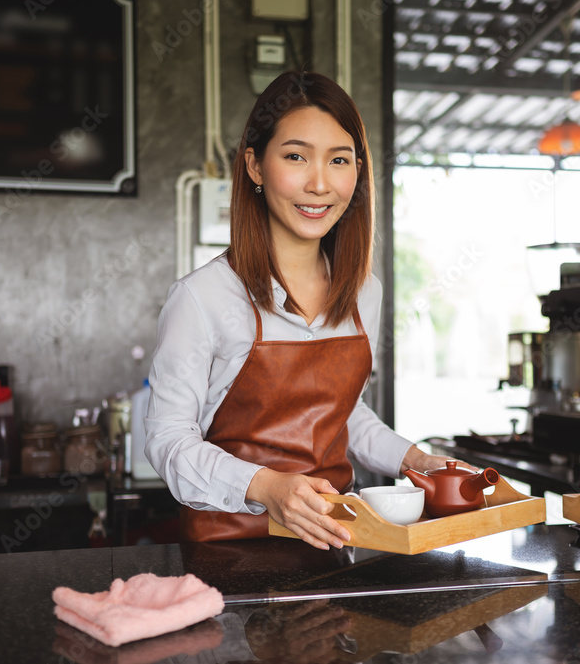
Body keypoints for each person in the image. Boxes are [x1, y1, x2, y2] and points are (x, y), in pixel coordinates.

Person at [144, 70, 469, 550]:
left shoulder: (364, 292)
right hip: (229, 555)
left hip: (336, 542)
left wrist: (418, 462)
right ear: (255, 165)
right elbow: (167, 440)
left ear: (357, 173)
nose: (319, 184)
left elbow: (343, 415)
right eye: (296, 157)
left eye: (339, 160)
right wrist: (268, 487)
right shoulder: (202, 296)